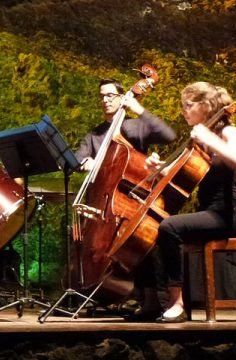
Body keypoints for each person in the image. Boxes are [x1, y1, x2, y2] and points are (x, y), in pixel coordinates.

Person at [142, 82, 236, 322]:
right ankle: (154, 301)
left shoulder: (227, 132)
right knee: (150, 226)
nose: (184, 111)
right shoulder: (198, 139)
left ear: (205, 105)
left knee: (170, 227)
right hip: (210, 213)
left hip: (229, 214)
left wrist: (209, 139)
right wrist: (157, 168)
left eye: (188, 106)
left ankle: (177, 303)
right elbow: (173, 172)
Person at [75, 79, 176, 318]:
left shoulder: (134, 127)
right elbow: (76, 158)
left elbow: (168, 135)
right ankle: (106, 292)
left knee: (139, 238)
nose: (105, 100)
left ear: (122, 97)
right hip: (106, 202)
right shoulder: (96, 134)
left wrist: (138, 109)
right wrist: (84, 164)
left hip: (134, 197)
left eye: (110, 95)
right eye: (102, 96)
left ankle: (151, 300)